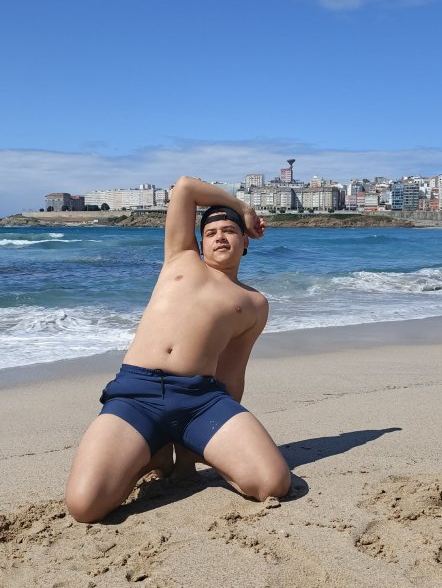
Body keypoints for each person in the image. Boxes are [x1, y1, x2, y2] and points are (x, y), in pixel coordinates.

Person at [66, 176, 291, 523]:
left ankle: (194, 447)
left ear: (245, 241)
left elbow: (232, 374)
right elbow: (185, 187)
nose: (220, 236)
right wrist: (242, 208)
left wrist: (202, 441)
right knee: (84, 507)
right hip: (137, 395)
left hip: (200, 402)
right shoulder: (180, 258)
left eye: (230, 230)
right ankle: (153, 452)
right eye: (211, 232)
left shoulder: (254, 303)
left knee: (272, 483)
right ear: (200, 242)